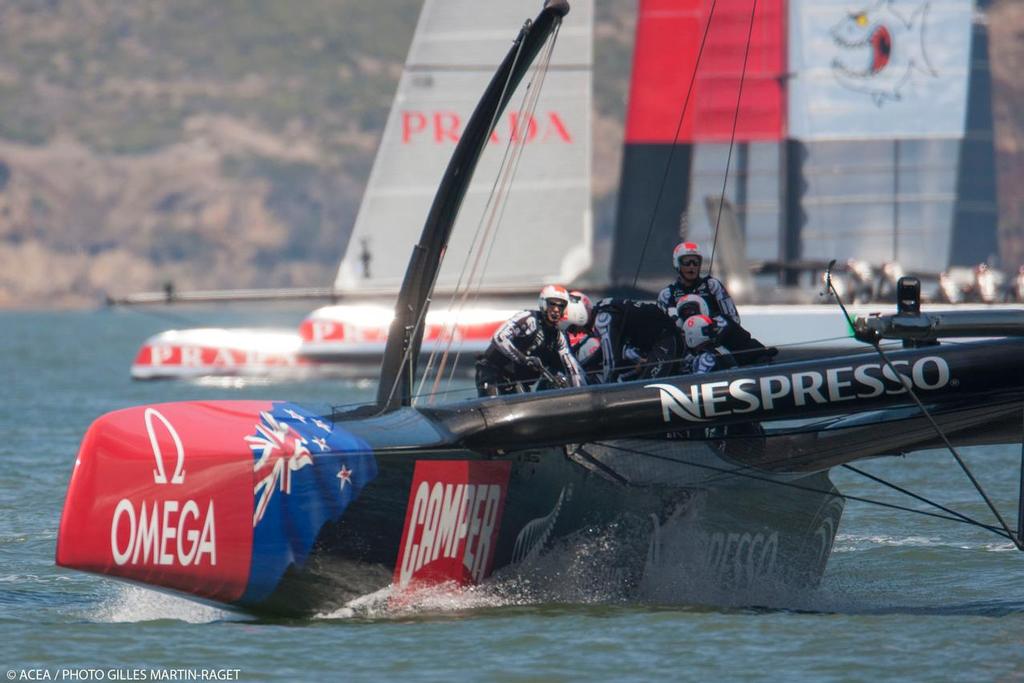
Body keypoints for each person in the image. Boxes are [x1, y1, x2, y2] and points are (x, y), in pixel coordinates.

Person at [657, 241, 775, 366]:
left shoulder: (712, 285)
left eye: (695, 262)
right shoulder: (667, 294)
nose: (692, 266)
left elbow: (733, 318)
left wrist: (710, 327)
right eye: (686, 262)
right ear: (677, 264)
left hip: (714, 340)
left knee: (726, 322)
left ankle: (760, 357)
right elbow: (660, 330)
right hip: (683, 345)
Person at [475, 284, 585, 397]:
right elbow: (499, 337)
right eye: (552, 304)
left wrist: (581, 391)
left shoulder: (558, 336)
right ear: (543, 303)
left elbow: (571, 365)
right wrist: (524, 359)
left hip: (516, 380)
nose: (556, 310)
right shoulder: (528, 318)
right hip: (492, 373)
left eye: (561, 306)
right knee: (493, 406)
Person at [569, 295, 680, 383]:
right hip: (659, 343)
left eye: (572, 327)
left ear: (579, 316)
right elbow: (603, 354)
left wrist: (606, 390)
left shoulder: (602, 320)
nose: (575, 333)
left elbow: (610, 361)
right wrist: (583, 367)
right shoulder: (603, 308)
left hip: (665, 341)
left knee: (647, 389)